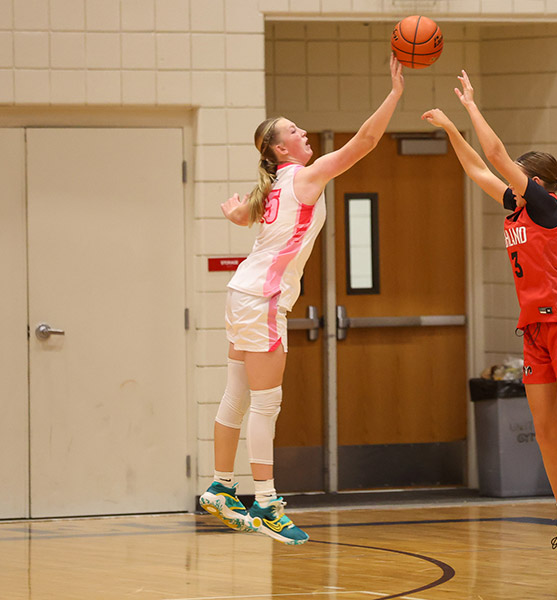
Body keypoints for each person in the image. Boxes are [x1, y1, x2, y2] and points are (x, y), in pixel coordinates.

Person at [421, 70, 557, 567]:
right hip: (535, 328)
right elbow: (478, 170)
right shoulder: (514, 207)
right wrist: (451, 131)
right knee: (543, 430)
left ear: (534, 181)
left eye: (515, 172)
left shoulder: (547, 206)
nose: (506, 177)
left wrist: (471, 108)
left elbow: (492, 156)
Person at [199, 56, 405, 544]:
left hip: (241, 295)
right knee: (266, 404)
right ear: (278, 147)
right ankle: (267, 504)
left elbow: (246, 215)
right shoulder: (302, 177)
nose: (304, 133)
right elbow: (367, 142)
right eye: (294, 130)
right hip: (264, 299)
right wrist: (395, 94)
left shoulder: (275, 185)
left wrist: (236, 218)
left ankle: (223, 487)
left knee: (238, 394)